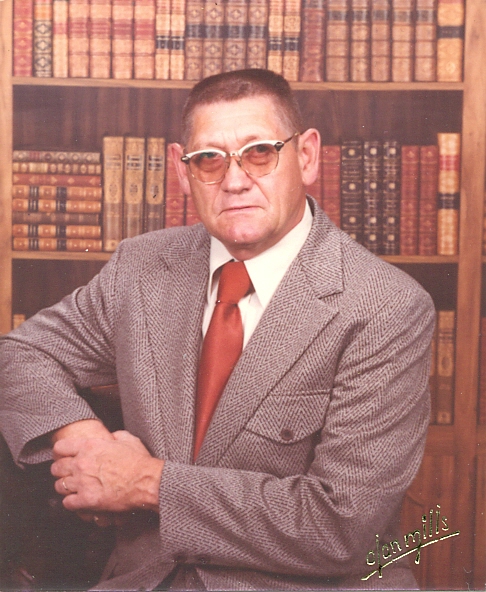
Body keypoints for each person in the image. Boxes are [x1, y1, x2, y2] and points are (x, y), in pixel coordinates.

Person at [0, 69, 434, 591]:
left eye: (260, 153)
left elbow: (339, 526)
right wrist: (82, 437)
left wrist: (145, 483)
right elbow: (19, 354)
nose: (234, 180)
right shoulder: (141, 267)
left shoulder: (387, 307)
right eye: (209, 158)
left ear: (306, 156)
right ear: (182, 172)